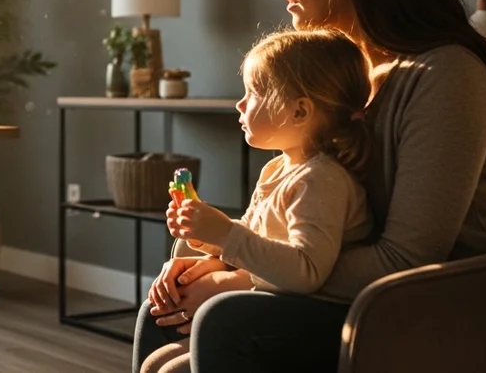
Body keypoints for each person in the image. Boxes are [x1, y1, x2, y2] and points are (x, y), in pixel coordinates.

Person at [133, 0, 486, 372]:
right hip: (362, 294)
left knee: (226, 318)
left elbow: (405, 262)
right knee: (163, 305)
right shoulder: (347, 78)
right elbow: (317, 230)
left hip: (458, 305)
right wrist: (218, 259)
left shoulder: (446, 77)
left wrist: (241, 275)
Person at [141, 28, 374, 373]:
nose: (240, 103)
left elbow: (307, 271)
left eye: (253, 93)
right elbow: (254, 236)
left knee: (167, 368)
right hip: (272, 301)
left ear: (299, 112)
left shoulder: (321, 180)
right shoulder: (276, 170)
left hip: (314, 315)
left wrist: (225, 234)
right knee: (155, 329)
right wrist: (207, 238)